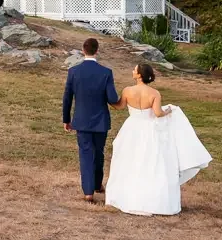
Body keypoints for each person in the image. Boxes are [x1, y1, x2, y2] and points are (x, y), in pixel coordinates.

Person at [105, 64, 212, 216]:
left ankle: (127, 195)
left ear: (140, 75)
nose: (132, 71)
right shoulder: (154, 93)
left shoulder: (127, 91)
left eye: (135, 70)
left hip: (132, 128)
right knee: (151, 161)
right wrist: (168, 110)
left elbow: (120, 106)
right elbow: (157, 113)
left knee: (130, 159)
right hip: (149, 130)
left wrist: (106, 98)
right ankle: (152, 198)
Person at [62, 38, 119, 203]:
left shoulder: (73, 71)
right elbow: (112, 98)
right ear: (97, 51)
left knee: (85, 153)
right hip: (100, 120)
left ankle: (88, 191)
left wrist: (66, 119)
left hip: (81, 119)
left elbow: (67, 98)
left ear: (82, 50)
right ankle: (96, 184)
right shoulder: (106, 72)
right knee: (99, 152)